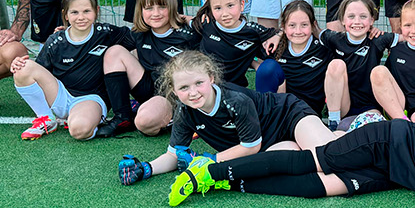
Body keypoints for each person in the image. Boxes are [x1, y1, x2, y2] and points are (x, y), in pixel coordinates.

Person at [163, 71, 415, 208]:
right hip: (386, 142)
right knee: (313, 163)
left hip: (396, 176)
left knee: (321, 190)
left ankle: (232, 183)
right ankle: (208, 173)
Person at [117, 50, 336, 187]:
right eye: (184, 87)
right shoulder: (184, 112)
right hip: (269, 144)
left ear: (211, 78)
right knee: (291, 166)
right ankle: (334, 136)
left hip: (289, 116)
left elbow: (250, 147)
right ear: (174, 91)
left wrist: (209, 160)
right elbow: (174, 155)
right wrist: (146, 168)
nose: (193, 92)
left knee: (331, 159)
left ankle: (354, 135)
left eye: (198, 83)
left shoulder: (235, 100)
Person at [11, 0, 135, 140]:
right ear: (66, 15)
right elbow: (40, 71)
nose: (81, 17)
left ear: (96, 11)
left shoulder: (106, 33)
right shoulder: (56, 41)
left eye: (86, 11)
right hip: (60, 94)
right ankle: (46, 119)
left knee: (79, 131)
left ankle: (86, 118)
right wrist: (18, 64)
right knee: (23, 68)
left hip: (90, 98)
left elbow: (138, 39)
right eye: (75, 12)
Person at [98, 0, 201, 137]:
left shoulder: (188, 35)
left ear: (172, 6)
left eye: (162, 7)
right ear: (141, 10)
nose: (156, 13)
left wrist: (193, 20)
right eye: (149, 8)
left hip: (175, 96)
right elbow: (101, 36)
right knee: (114, 52)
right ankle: (123, 117)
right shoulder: (139, 34)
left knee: (144, 122)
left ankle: (176, 116)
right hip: (149, 91)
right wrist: (71, 32)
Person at [319, 0, 397, 130]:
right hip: (344, 106)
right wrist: (280, 34)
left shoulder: (378, 39)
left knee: (370, 130)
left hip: (370, 106)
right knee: (336, 65)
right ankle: (333, 122)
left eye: (363, 16)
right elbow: (314, 31)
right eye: (351, 16)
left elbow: (411, 37)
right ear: (342, 20)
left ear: (372, 20)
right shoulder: (334, 38)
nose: (357, 21)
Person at [195, 0, 281, 89]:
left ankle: (268, 104)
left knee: (270, 67)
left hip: (237, 91)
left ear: (242, 5)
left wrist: (279, 35)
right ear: (211, 9)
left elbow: (284, 33)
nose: (225, 14)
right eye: (218, 8)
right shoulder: (205, 24)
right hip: (207, 89)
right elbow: (183, 20)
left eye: (230, 5)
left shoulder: (252, 31)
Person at [267, 0, 332, 115]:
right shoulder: (276, 47)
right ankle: (268, 119)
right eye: (292, 25)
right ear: (284, 27)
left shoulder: (323, 48)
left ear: (313, 26)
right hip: (284, 113)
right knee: (266, 69)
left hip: (311, 114)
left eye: (304, 25)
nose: (298, 31)